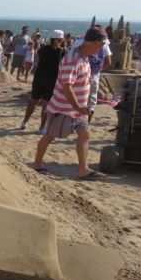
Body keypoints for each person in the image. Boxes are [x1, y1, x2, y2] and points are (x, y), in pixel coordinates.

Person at [33, 26, 109, 179]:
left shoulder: (84, 56)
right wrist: (77, 106)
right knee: (49, 136)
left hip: (78, 109)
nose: (102, 48)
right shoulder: (72, 59)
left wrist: (82, 106)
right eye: (102, 45)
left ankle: (83, 169)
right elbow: (67, 85)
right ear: (94, 43)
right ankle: (37, 165)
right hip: (63, 108)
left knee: (85, 135)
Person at [21, 30, 67, 132]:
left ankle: (25, 122)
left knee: (33, 101)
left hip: (39, 77)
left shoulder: (43, 49)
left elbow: (39, 58)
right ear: (61, 39)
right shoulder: (63, 52)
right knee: (46, 104)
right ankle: (42, 127)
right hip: (52, 80)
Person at [84, 27, 113, 123]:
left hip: (80, 75)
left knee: (79, 100)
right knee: (91, 102)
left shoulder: (80, 43)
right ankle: (86, 124)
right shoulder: (104, 45)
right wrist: (97, 71)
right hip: (94, 75)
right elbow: (108, 62)